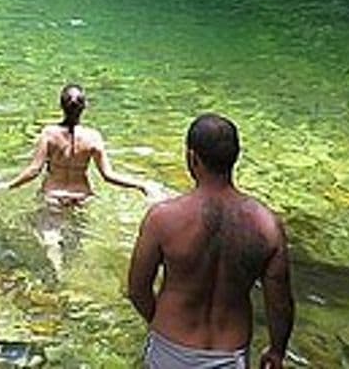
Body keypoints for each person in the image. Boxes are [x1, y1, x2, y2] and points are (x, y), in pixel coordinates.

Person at [126, 114, 294, 369]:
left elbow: (138, 289)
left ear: (192, 158)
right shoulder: (267, 225)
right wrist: (277, 350)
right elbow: (280, 302)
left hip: (170, 347)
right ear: (235, 157)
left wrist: (160, 322)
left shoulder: (163, 218)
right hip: (230, 353)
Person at [0, 84, 154, 275]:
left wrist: (6, 185)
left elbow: (34, 170)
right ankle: (75, 271)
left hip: (53, 196)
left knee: (51, 237)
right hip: (82, 197)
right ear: (84, 107)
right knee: (76, 239)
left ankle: (58, 270)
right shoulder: (93, 137)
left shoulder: (49, 134)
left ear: (61, 106)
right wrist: (141, 184)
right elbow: (108, 176)